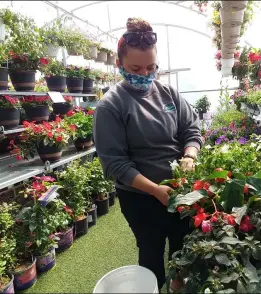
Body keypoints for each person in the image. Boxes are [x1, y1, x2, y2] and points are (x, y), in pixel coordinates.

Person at [93, 17, 203, 290]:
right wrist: (155, 190)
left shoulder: (168, 94)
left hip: (180, 189)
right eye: (135, 68)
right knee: (151, 251)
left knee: (182, 246)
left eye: (151, 67)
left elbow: (192, 129)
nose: (144, 74)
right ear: (119, 64)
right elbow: (115, 164)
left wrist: (189, 155)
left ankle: (179, 284)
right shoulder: (111, 106)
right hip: (140, 198)